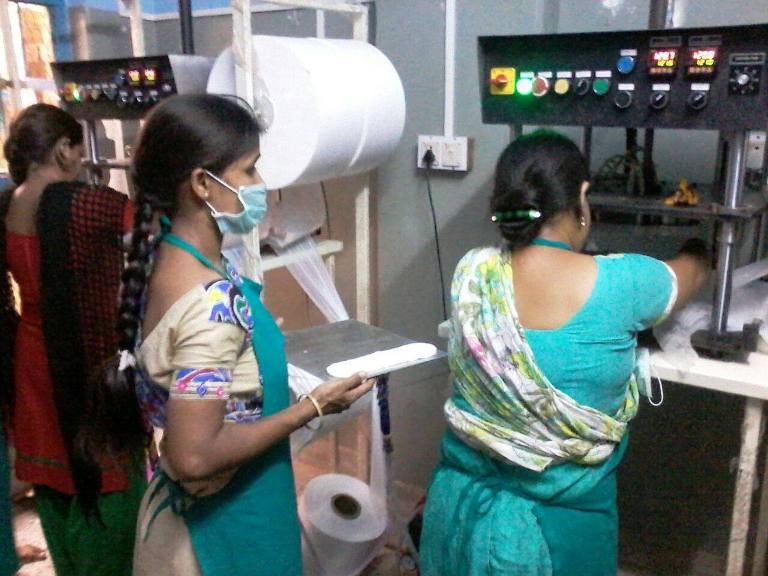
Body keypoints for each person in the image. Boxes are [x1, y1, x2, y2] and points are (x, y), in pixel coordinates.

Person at [419, 130, 709, 576]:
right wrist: (698, 247)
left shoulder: (474, 272)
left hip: (456, 512)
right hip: (556, 533)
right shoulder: (626, 282)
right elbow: (688, 275)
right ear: (582, 199)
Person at [116, 94, 373, 576]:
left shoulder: (169, 261)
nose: (261, 185)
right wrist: (312, 408)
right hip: (227, 532)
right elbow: (193, 456)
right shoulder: (211, 305)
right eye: (250, 170)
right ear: (202, 185)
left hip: (218, 509)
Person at [0, 103, 146, 576]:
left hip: (32, 356)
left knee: (54, 479)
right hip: (86, 360)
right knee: (104, 473)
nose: (82, 160)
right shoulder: (87, 203)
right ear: (64, 149)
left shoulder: (7, 202)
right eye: (80, 150)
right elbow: (150, 229)